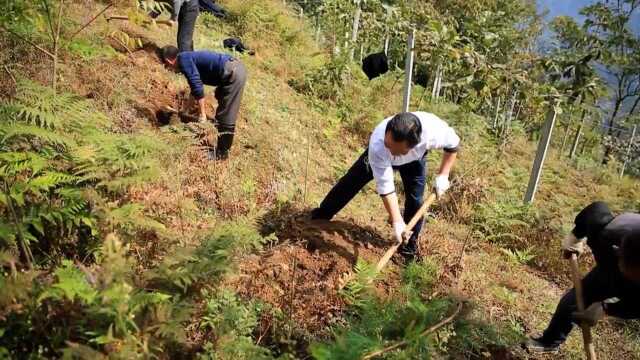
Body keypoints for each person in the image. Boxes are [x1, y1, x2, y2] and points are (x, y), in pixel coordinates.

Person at [310, 112, 460, 262]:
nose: (391, 152)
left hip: (414, 162)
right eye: (389, 145)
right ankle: (320, 216)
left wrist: (443, 175)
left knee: (415, 201)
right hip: (378, 158)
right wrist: (396, 221)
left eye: (396, 150)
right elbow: (386, 186)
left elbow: (453, 145)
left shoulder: (434, 132)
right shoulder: (379, 144)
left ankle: (408, 248)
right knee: (351, 182)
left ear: (414, 145)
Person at [525, 201, 640, 353]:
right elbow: (597, 208)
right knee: (571, 303)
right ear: (619, 251)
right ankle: (550, 342)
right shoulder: (605, 232)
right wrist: (576, 236)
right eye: (628, 267)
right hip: (609, 265)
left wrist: (607, 309)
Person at [161, 46, 247, 160]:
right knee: (220, 97)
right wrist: (185, 110)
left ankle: (222, 153)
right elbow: (194, 88)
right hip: (232, 69)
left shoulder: (183, 61)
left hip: (233, 73)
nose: (169, 69)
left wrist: (202, 114)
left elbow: (197, 87)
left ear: (169, 61)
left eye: (167, 66)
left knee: (226, 115)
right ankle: (218, 127)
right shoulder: (185, 57)